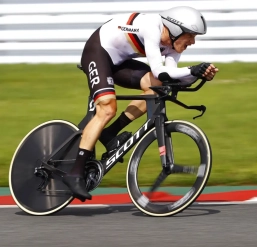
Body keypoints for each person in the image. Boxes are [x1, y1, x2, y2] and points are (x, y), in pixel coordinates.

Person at [62, 6, 219, 201]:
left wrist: (199, 74)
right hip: (98, 52)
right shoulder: (152, 27)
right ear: (176, 29)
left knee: (157, 88)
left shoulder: (172, 45)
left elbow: (169, 77)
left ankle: (109, 133)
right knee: (107, 108)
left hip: (119, 62)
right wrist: (193, 69)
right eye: (191, 36)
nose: (193, 42)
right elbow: (160, 70)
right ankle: (75, 173)